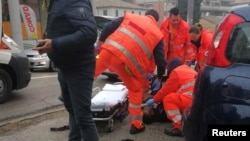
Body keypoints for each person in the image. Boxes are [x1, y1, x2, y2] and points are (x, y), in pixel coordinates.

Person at [33, 0, 99, 141]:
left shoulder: (72, 1)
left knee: (83, 118)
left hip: (79, 67)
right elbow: (63, 27)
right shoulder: (56, 2)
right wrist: (47, 43)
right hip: (65, 66)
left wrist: (55, 44)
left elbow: (89, 32)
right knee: (73, 112)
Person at [94, 9, 166, 134]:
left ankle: (68, 92)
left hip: (107, 51)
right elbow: (161, 61)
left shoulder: (130, 17)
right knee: (135, 90)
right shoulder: (157, 34)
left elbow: (109, 27)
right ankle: (136, 125)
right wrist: (159, 77)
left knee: (88, 73)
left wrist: (100, 43)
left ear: (146, 15)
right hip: (126, 63)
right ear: (156, 21)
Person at [143, 58, 197, 137]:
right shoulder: (190, 70)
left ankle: (179, 127)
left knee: (168, 99)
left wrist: (154, 99)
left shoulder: (176, 72)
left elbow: (165, 91)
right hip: (199, 102)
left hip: (190, 101)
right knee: (175, 97)